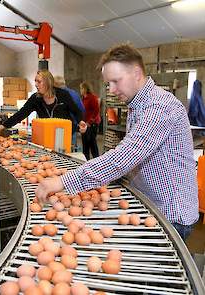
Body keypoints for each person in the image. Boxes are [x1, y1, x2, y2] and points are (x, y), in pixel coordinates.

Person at [35, 43, 199, 241]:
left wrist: (63, 181)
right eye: (108, 83)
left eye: (115, 81)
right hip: (151, 205)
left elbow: (125, 156)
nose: (111, 90)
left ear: (137, 73)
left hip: (171, 214)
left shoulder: (160, 107)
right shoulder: (137, 104)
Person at [0, 70, 87, 134]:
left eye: (39, 81)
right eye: (35, 81)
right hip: (46, 134)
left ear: (48, 82)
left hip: (64, 134)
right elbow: (20, 114)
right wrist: (2, 127)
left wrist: (80, 121)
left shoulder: (63, 94)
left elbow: (76, 111)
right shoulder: (35, 98)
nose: (36, 84)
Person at [54, 76, 85, 150]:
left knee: (58, 151)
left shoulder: (57, 95)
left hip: (59, 128)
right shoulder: (74, 93)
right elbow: (82, 109)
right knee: (70, 151)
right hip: (72, 127)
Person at [79, 81, 101, 160]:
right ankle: (86, 161)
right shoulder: (83, 98)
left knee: (92, 144)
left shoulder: (92, 97)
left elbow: (96, 110)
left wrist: (90, 122)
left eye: (81, 88)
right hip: (85, 124)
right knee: (85, 144)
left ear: (85, 89)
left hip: (92, 124)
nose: (80, 90)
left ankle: (97, 161)